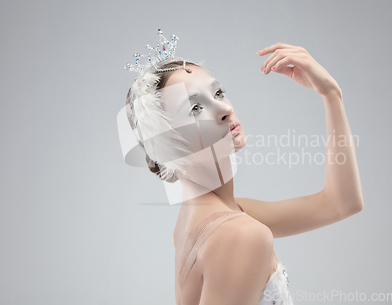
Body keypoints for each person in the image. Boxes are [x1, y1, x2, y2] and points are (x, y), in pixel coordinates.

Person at [119, 29, 364, 305]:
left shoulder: (212, 217)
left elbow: (340, 203)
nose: (224, 109)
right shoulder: (239, 233)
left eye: (218, 92)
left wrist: (331, 95)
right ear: (169, 143)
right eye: (195, 109)